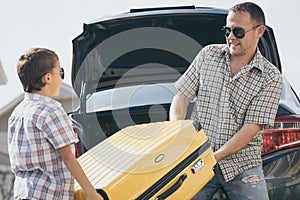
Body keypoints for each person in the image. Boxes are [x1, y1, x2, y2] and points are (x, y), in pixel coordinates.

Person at [169, 2, 282, 200]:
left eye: (238, 32)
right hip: (198, 161)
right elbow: (181, 96)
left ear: (259, 31)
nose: (231, 37)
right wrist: (179, 133)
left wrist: (213, 157)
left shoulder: (271, 78)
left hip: (243, 165)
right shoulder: (207, 55)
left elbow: (250, 129)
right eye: (227, 30)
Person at [7, 48, 103, 200]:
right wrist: (90, 191)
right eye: (60, 72)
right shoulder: (51, 110)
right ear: (48, 78)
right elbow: (68, 158)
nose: (62, 78)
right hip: (48, 195)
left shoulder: (17, 114)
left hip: (24, 193)